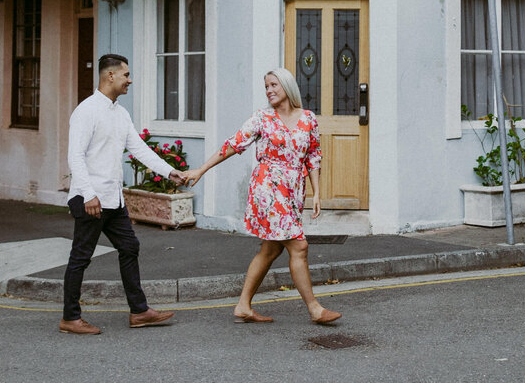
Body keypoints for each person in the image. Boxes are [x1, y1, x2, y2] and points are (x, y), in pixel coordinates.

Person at [187, 68, 341, 325]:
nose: (269, 90)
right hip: (268, 189)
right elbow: (232, 144)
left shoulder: (308, 119)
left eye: (273, 85)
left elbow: (313, 155)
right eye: (266, 86)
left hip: (293, 192)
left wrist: (316, 192)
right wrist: (201, 169)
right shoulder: (262, 119)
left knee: (270, 250)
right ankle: (314, 308)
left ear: (287, 87)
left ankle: (243, 306)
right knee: (299, 246)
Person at [60, 53, 187, 335]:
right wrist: (88, 194)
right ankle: (70, 318)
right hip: (90, 199)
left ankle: (139, 312)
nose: (130, 80)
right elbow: (75, 156)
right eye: (126, 75)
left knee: (130, 247)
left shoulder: (120, 113)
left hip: (113, 200)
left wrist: (169, 172)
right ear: (110, 76)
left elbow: (139, 149)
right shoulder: (86, 110)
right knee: (80, 257)